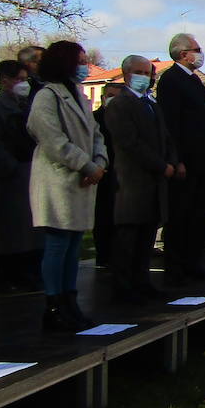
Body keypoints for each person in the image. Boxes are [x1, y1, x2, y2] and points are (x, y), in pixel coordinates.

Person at [27, 40, 106, 330]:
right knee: (58, 243)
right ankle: (54, 303)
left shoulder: (80, 96)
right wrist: (87, 165)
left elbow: (96, 133)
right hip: (59, 179)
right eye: (81, 60)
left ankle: (70, 299)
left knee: (74, 244)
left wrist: (99, 162)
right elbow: (53, 141)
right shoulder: (47, 96)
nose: (85, 66)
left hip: (84, 179)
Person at [103, 56, 179, 302]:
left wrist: (173, 161)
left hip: (155, 180)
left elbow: (165, 136)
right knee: (129, 237)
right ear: (126, 74)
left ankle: (142, 281)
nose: (144, 77)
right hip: (132, 180)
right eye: (138, 72)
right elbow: (129, 142)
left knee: (146, 234)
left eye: (147, 73)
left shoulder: (151, 103)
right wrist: (160, 166)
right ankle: (124, 286)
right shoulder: (119, 104)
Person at [156, 33, 205, 281]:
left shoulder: (193, 80)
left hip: (204, 161)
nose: (200, 53)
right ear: (183, 53)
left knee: (198, 215)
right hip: (187, 162)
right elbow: (172, 124)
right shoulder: (171, 80)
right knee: (181, 215)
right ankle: (176, 267)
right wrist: (178, 159)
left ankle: (193, 262)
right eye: (196, 49)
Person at [0, 59, 43, 295]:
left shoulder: (26, 106)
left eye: (25, 79)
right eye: (18, 79)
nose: (23, 84)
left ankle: (27, 273)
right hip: (7, 177)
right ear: (5, 81)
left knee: (28, 231)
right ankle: (8, 275)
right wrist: (11, 166)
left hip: (29, 172)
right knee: (7, 231)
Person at [91, 81, 126, 268]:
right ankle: (103, 255)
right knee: (103, 214)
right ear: (103, 97)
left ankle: (119, 253)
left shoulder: (126, 117)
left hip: (123, 172)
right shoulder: (95, 118)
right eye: (110, 95)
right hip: (103, 171)